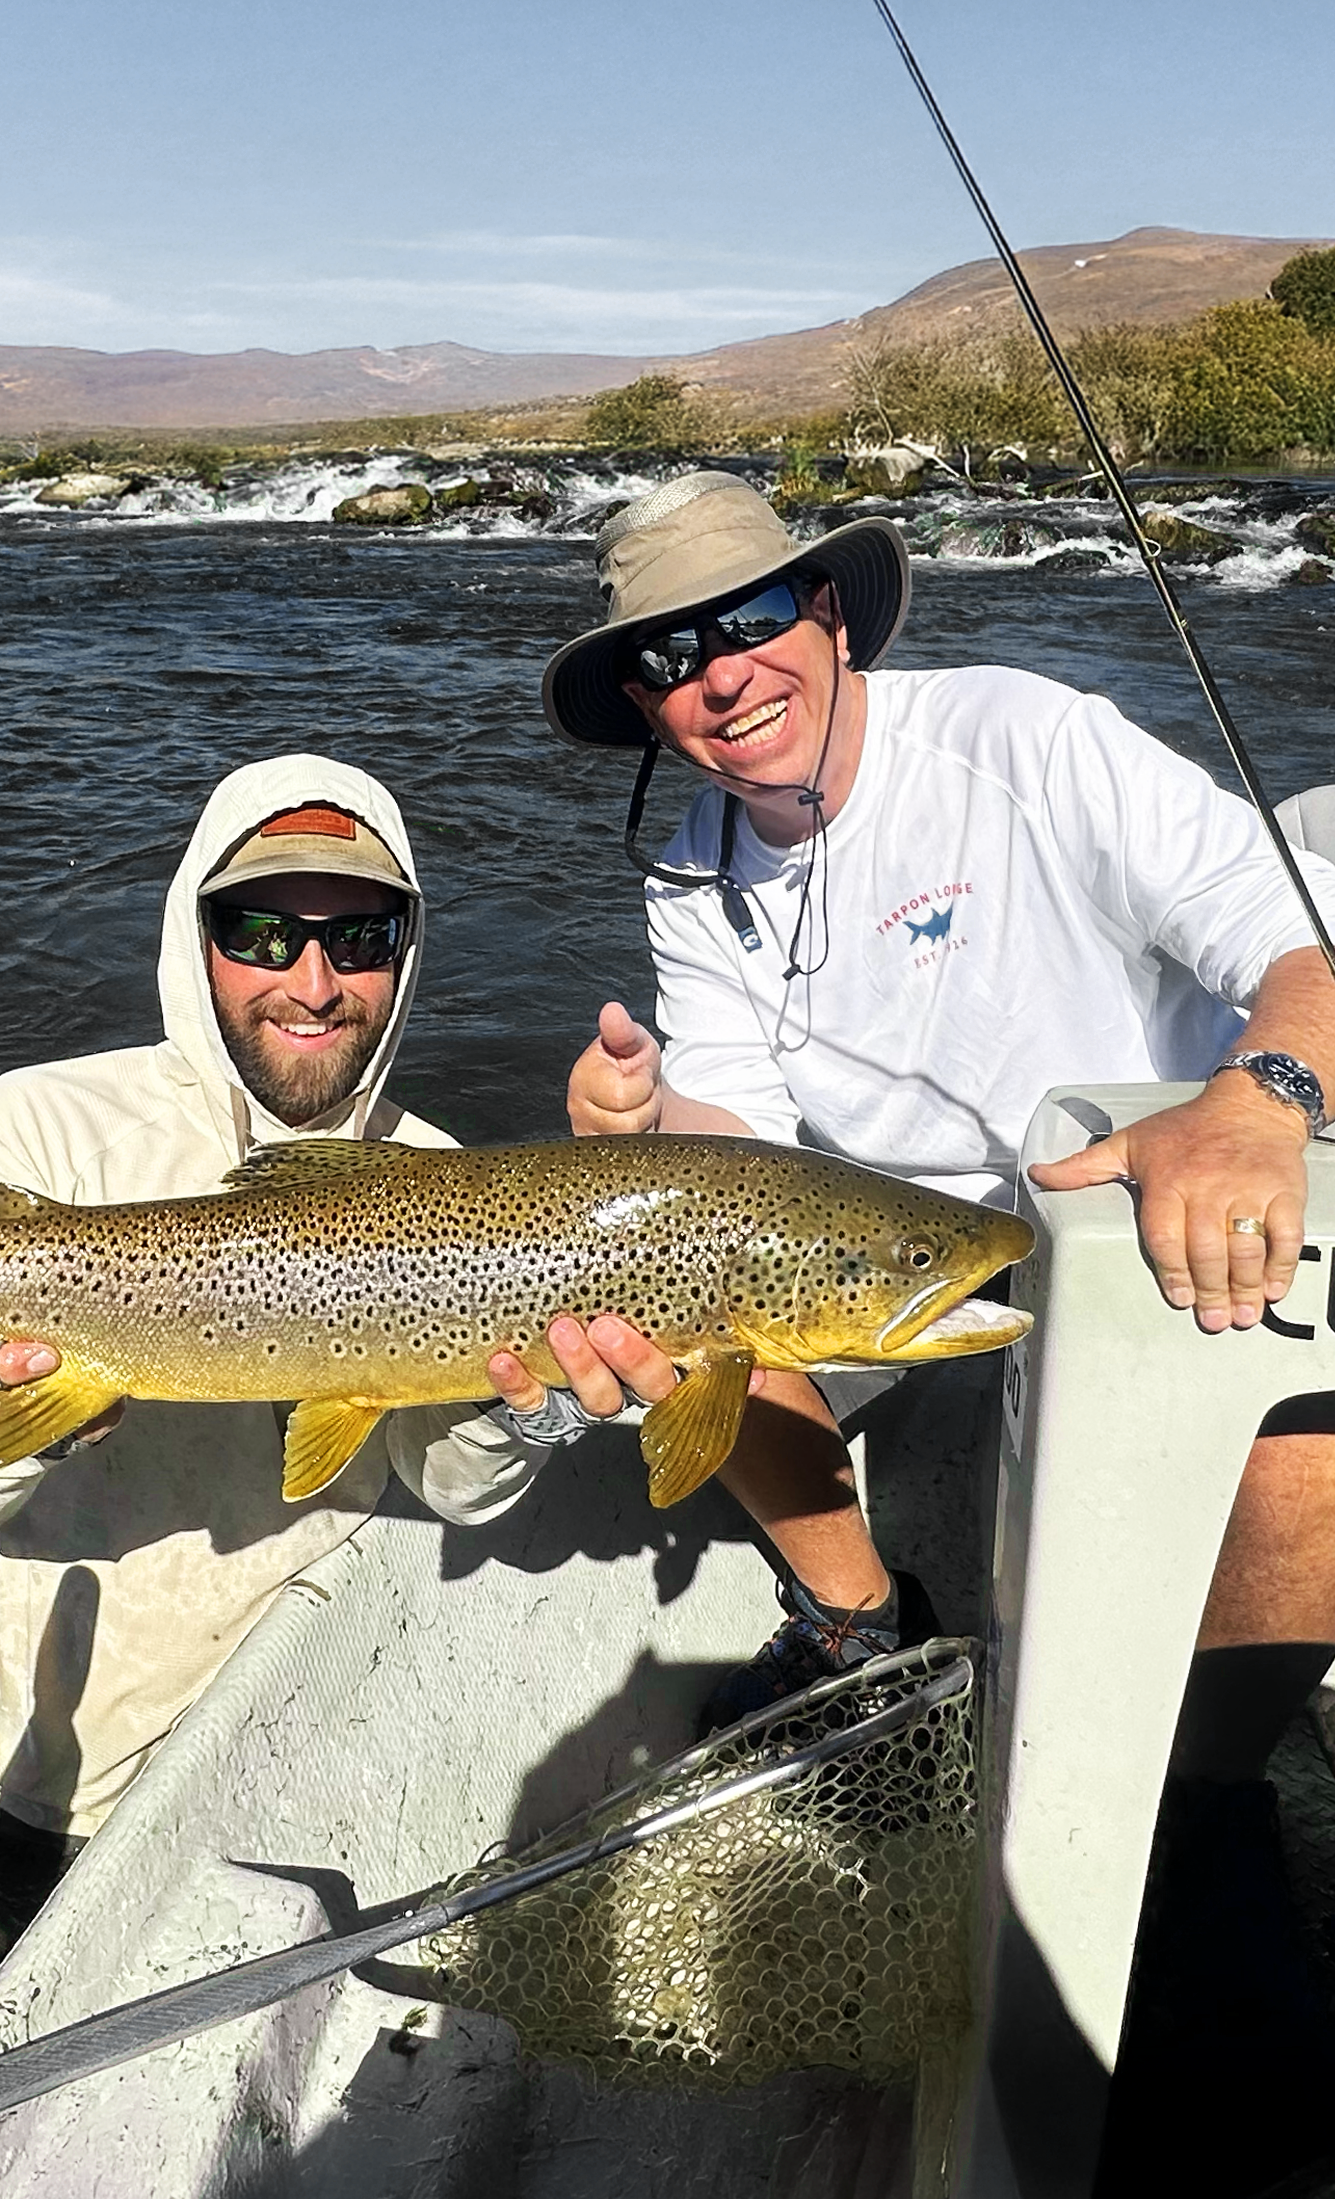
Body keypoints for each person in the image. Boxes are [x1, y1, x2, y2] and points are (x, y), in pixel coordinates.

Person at [532, 470, 1335, 1772]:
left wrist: (1263, 1097)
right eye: (676, 654)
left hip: (1147, 1214)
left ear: (832, 613)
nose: (724, 675)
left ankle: (1198, 1796)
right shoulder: (691, 871)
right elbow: (739, 1164)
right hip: (887, 1270)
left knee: (1311, 1456)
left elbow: (1309, 957)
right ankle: (859, 1616)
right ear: (645, 701)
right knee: (673, 1297)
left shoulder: (1026, 739)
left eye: (753, 619)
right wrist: (644, 1127)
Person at [0, 755, 550, 1959]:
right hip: (29, 1772)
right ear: (198, 935)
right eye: (264, 931)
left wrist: (527, 1410)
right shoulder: (46, 1126)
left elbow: (456, 1489)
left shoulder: (453, 1182)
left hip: (279, 1757)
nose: (315, 982)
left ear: (408, 949)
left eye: (362, 936)